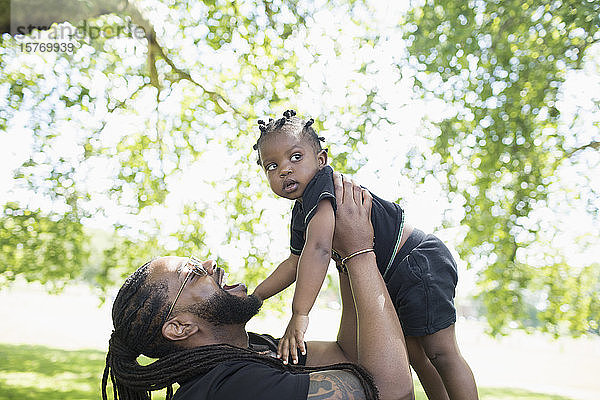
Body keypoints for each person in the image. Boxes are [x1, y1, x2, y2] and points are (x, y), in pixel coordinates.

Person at [102, 173, 414, 400]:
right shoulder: (230, 388)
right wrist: (361, 253)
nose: (210, 264)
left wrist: (340, 250)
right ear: (180, 327)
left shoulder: (254, 349)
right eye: (194, 273)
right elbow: (390, 391)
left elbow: (350, 355)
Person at [252, 110, 478, 400]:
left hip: (417, 261)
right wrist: (255, 297)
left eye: (295, 157)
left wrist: (300, 314)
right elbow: (295, 262)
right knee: (416, 354)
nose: (284, 169)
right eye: (272, 165)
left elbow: (319, 251)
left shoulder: (323, 188)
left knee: (441, 351)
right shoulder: (302, 211)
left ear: (321, 160)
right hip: (391, 273)